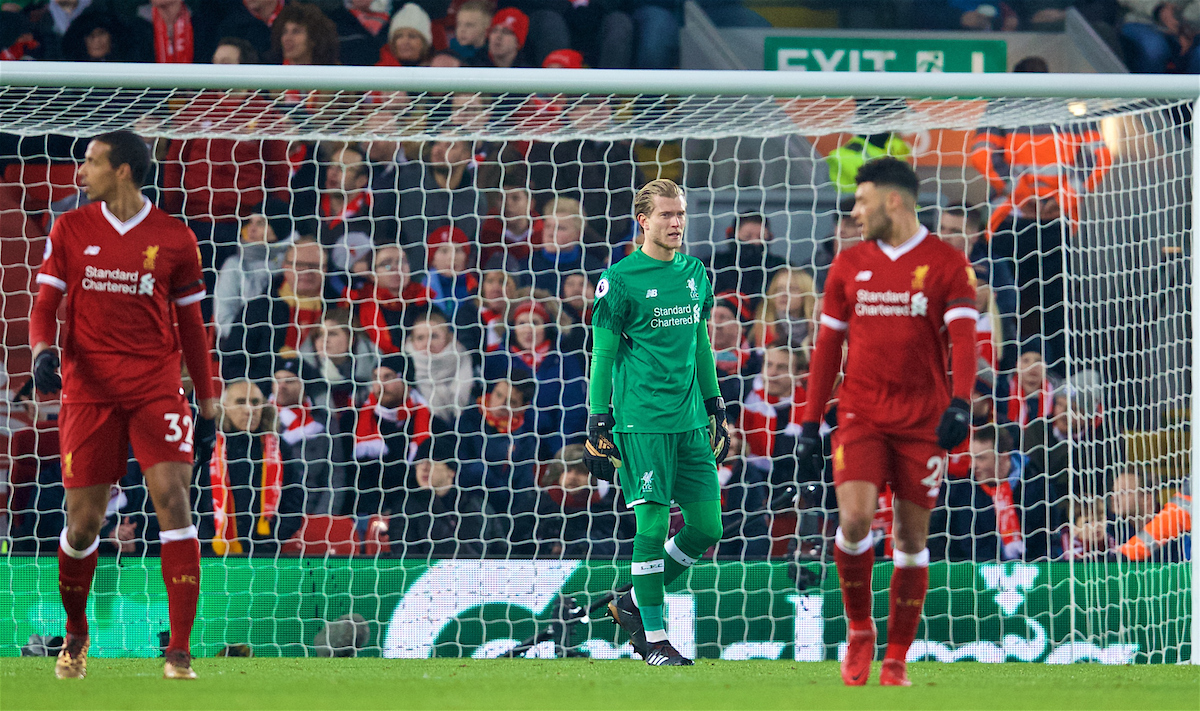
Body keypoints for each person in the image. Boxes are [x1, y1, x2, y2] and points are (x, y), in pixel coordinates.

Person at [29, 130, 217, 680]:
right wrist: (43, 352)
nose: (79, 172)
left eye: (90, 162)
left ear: (124, 171)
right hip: (88, 388)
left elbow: (192, 328)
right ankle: (77, 633)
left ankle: (179, 651)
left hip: (155, 386)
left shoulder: (175, 239)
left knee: (172, 501)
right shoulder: (69, 228)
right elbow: (45, 303)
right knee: (83, 526)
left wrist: (207, 405)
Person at [795, 157, 977, 686]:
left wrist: (960, 404)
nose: (855, 212)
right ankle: (859, 631)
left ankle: (896, 656)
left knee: (911, 539)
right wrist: (809, 420)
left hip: (923, 420)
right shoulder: (848, 266)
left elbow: (964, 340)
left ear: (893, 201)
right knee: (853, 521)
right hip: (861, 414)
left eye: (862, 200)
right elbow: (828, 346)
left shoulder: (947, 263)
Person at [588, 178, 727, 666]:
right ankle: (653, 639)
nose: (676, 223)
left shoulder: (695, 273)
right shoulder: (621, 279)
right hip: (640, 422)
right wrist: (597, 419)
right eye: (666, 215)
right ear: (642, 220)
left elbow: (702, 344)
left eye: (681, 214)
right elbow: (603, 354)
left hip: (689, 423)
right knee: (650, 527)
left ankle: (629, 600)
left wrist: (715, 405)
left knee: (707, 526)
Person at [206, 379, 305, 555]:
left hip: (265, 551)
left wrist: (272, 538)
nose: (249, 409)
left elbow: (294, 500)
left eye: (255, 402)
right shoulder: (208, 447)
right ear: (224, 407)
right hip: (214, 551)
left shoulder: (280, 448)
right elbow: (194, 499)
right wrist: (208, 539)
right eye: (240, 402)